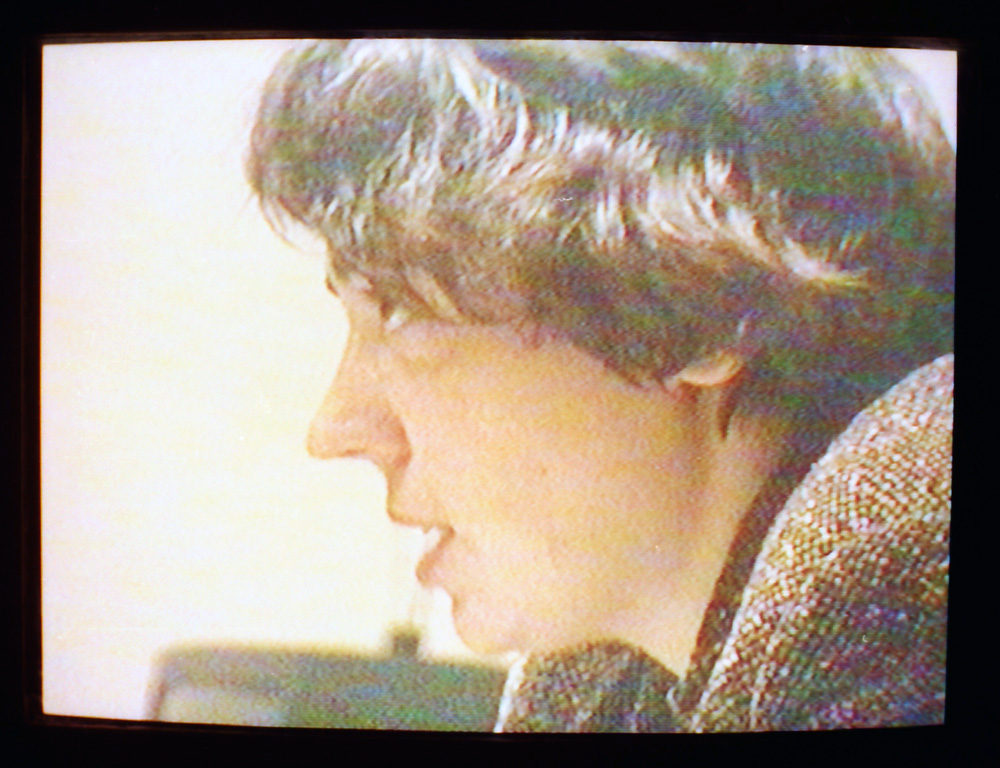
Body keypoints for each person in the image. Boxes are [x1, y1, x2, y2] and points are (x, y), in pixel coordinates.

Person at [245, 40, 954, 731]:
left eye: (400, 308)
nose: (335, 428)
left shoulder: (903, 551)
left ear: (693, 296)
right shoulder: (603, 679)